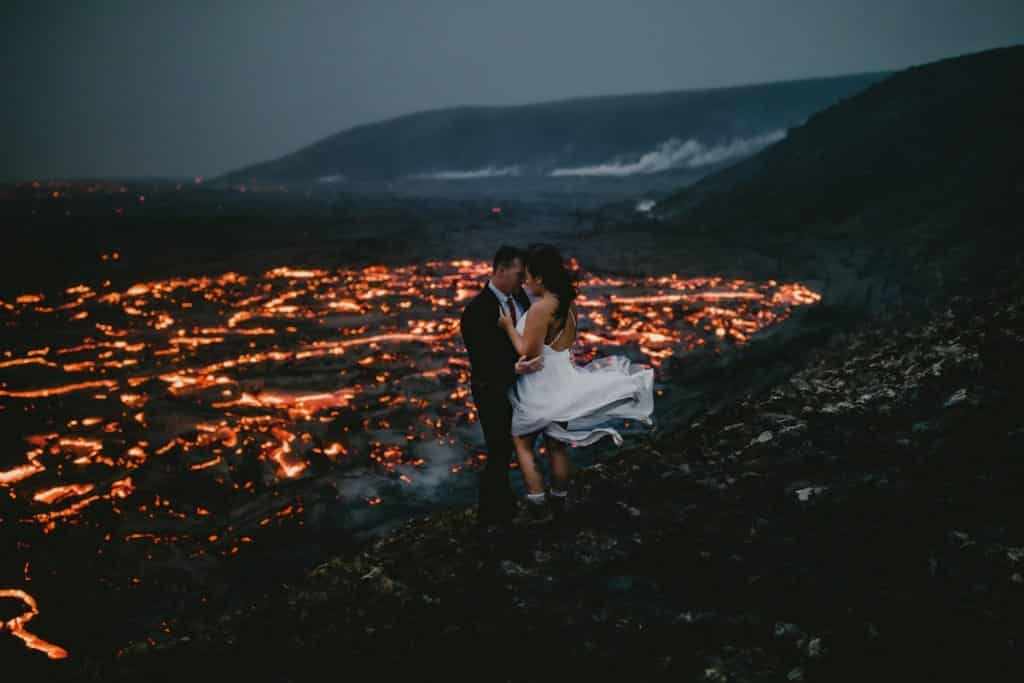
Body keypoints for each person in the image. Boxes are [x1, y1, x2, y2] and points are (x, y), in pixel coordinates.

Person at [497, 243, 654, 522]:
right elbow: (563, 345)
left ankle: (537, 506)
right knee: (556, 444)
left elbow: (528, 352)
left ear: (540, 278)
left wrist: (509, 328)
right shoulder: (567, 303)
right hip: (564, 379)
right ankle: (559, 501)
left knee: (521, 442)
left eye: (529, 276)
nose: (526, 282)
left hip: (541, 384)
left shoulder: (540, 309)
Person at [459, 246, 543, 532]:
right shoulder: (476, 311)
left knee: (518, 447)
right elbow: (481, 360)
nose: (523, 281)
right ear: (501, 270)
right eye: (519, 275)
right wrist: (513, 368)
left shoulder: (518, 298)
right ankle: (491, 514)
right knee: (499, 449)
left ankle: (505, 506)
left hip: (523, 387)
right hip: (493, 390)